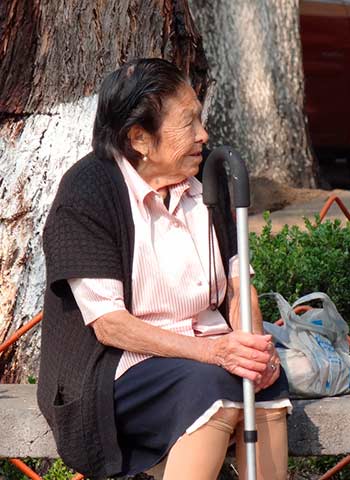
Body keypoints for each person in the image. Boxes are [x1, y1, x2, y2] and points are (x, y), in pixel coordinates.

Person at [38, 58, 289, 480]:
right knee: (212, 389)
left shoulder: (207, 175)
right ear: (139, 138)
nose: (203, 136)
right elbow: (110, 325)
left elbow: (237, 283)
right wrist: (215, 352)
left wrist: (252, 346)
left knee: (265, 387)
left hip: (208, 357)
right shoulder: (87, 191)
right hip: (117, 367)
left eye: (201, 121)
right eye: (188, 124)